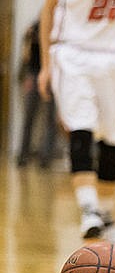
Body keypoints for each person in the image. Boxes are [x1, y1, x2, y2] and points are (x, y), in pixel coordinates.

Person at [38, 0, 115, 248]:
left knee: (114, 140)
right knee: (81, 129)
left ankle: (107, 217)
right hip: (75, 54)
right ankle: (88, 210)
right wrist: (47, 65)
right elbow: (47, 10)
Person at [16, 20, 58, 169]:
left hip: (52, 77)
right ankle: (23, 155)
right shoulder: (33, 28)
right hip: (34, 75)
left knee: (50, 120)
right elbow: (26, 56)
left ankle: (46, 157)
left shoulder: (59, 28)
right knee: (29, 118)